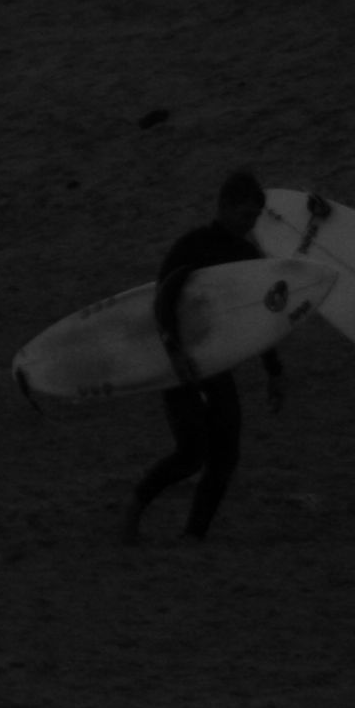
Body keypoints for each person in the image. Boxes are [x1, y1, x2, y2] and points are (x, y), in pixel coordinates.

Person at [126, 169, 286, 543]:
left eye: (255, 217)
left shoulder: (247, 256)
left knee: (226, 455)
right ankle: (131, 514)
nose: (250, 224)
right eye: (246, 215)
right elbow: (163, 299)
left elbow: (260, 317)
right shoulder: (192, 246)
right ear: (225, 207)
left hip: (216, 364)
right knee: (190, 453)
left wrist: (274, 371)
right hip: (178, 365)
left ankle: (193, 535)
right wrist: (174, 351)